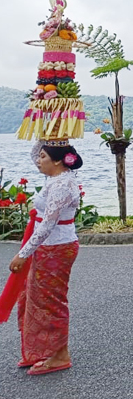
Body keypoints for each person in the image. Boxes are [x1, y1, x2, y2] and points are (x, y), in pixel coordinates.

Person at [1, 141, 83, 375]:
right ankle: (43, 349)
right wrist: (46, 127)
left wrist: (22, 254)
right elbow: (34, 152)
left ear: (56, 160)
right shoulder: (57, 177)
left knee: (51, 300)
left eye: (43, 156)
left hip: (56, 247)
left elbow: (48, 224)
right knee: (34, 296)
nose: (38, 160)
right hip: (48, 246)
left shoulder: (62, 185)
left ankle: (60, 354)